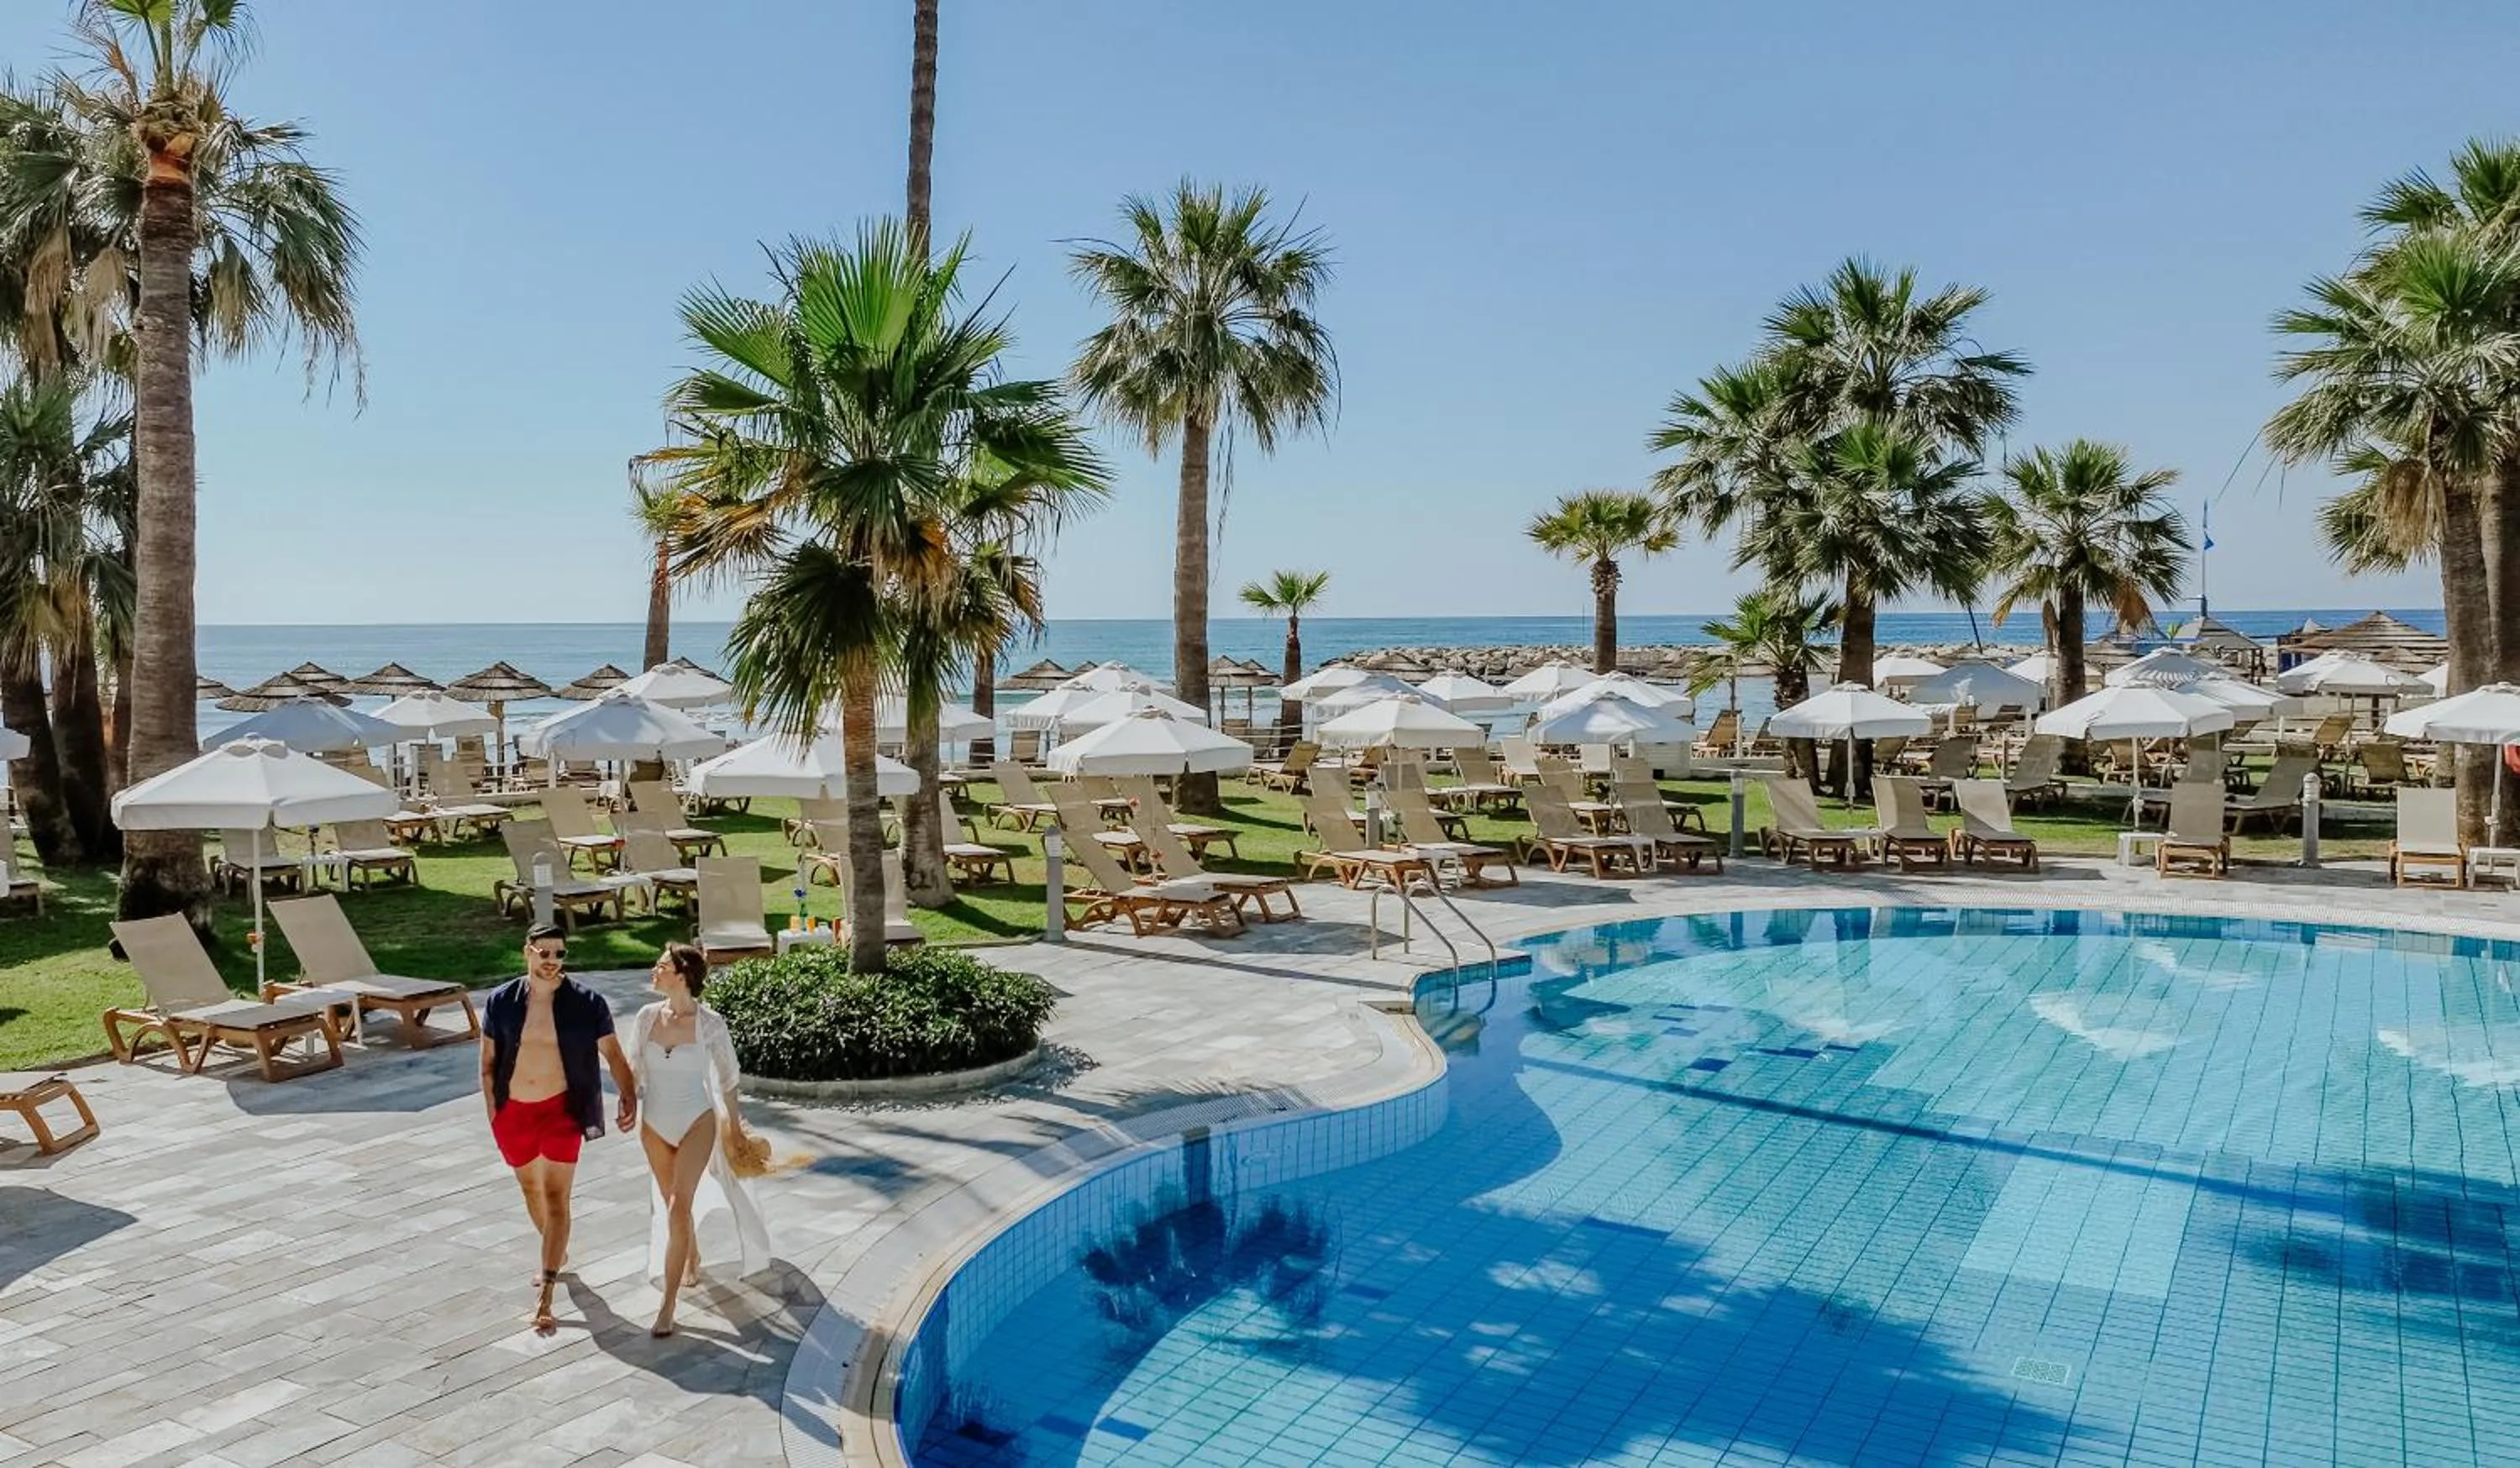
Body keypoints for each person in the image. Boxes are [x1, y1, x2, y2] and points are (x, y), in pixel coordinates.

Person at [481, 925, 638, 1332]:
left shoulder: (586, 1002)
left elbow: (614, 1054)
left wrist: (628, 1095)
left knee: (555, 1196)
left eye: (560, 954)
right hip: (513, 1112)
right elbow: (488, 1065)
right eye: (544, 953)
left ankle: (546, 1292)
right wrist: (494, 1115)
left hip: (562, 1111)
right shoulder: (501, 1002)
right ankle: (557, 1251)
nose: (552, 962)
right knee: (531, 1190)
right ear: (527, 952)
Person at [626, 943, 774, 1336]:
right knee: (670, 1202)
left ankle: (668, 1305)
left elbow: (727, 1078)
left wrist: (737, 1128)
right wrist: (626, 1104)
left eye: (661, 966)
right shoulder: (645, 1018)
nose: (654, 971)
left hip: (697, 1121)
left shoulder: (710, 1024)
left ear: (682, 975)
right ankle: (690, 1252)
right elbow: (635, 1070)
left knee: (678, 1205)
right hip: (654, 1125)